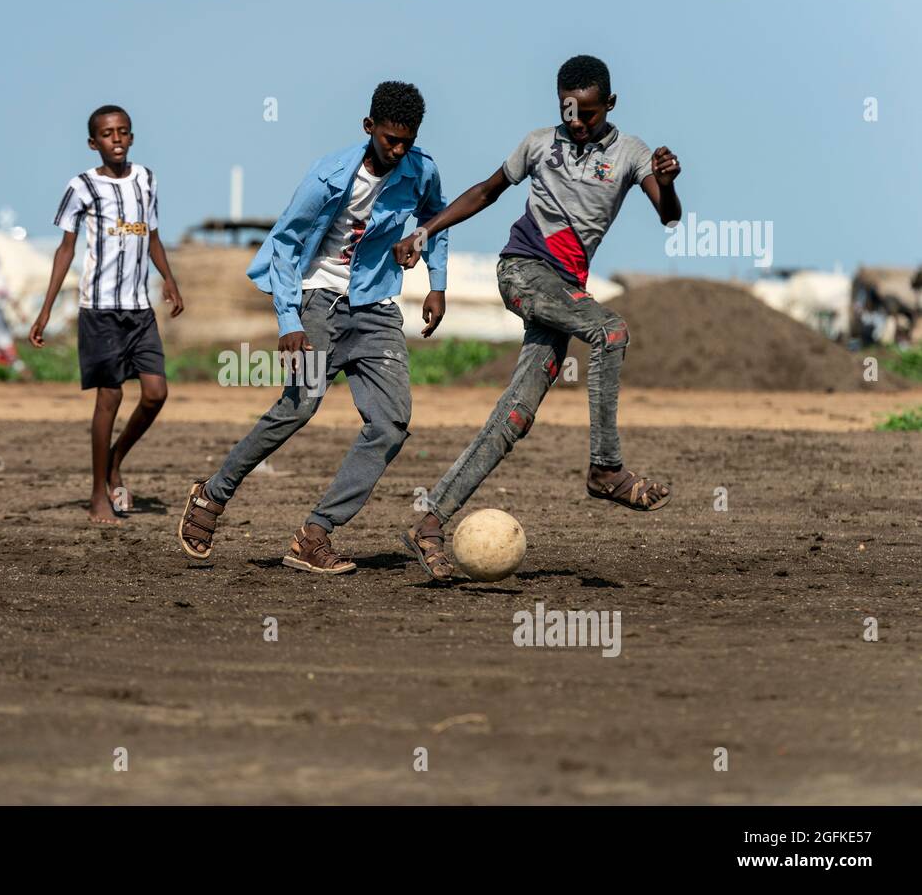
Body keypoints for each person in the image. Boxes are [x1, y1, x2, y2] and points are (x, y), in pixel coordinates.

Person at [393, 55, 682, 580]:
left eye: (588, 113)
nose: (576, 121)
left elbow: (668, 214)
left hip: (563, 290)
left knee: (515, 417)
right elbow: (485, 191)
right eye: (567, 109)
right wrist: (425, 231)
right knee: (611, 331)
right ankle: (606, 469)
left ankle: (429, 522)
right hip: (523, 273)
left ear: (610, 105)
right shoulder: (538, 144)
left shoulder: (632, 154)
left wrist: (670, 179)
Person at [178, 81, 448, 574]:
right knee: (298, 408)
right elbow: (284, 242)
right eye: (390, 139)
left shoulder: (421, 170)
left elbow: (438, 218)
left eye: (407, 140)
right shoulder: (327, 176)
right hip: (319, 301)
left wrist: (438, 282)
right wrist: (289, 320)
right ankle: (212, 495)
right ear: (369, 128)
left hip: (378, 307)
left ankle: (315, 534)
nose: (399, 149)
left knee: (391, 424)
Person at [28, 105, 184, 524]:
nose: (116, 139)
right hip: (99, 311)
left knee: (156, 394)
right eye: (107, 134)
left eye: (123, 132)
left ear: (131, 137)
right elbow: (66, 249)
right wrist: (44, 310)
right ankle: (99, 492)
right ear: (93, 142)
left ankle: (114, 459)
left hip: (140, 309)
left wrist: (168, 279)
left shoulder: (146, 179)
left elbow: (152, 236)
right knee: (109, 397)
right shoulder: (81, 187)